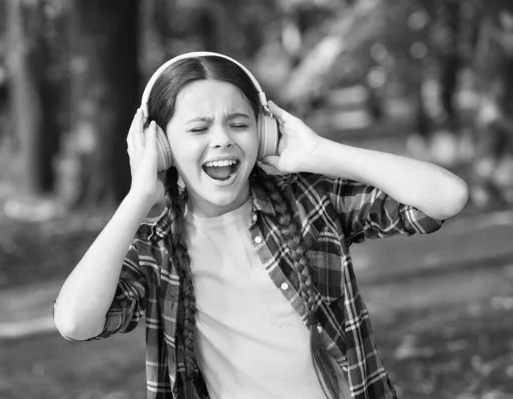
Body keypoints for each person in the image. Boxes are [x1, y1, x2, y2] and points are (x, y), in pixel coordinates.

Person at [53, 52, 469, 399]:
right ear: (161, 146)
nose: (222, 140)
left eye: (239, 123)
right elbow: (75, 322)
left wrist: (320, 152)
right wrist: (138, 197)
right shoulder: (155, 248)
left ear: (264, 131)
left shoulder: (310, 203)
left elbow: (446, 197)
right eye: (198, 128)